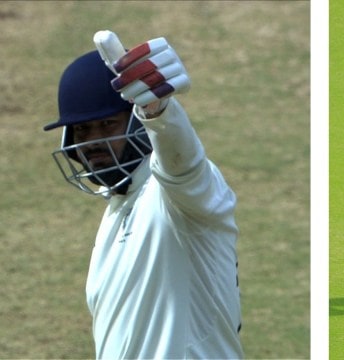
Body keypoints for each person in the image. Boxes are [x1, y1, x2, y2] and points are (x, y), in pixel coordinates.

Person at [43, 32, 244, 358]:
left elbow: (183, 165)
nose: (93, 142)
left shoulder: (178, 196)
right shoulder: (117, 212)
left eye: (108, 124)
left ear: (136, 125)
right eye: (83, 130)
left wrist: (158, 112)